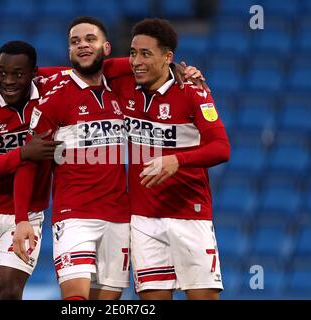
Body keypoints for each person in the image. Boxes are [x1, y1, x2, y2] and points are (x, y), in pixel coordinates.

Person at [13, 17, 209, 300]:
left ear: (106, 47)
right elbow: (29, 162)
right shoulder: (54, 98)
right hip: (73, 216)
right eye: (75, 41)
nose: (82, 45)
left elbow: (139, 65)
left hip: (119, 218)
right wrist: (22, 219)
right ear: (68, 51)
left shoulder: (122, 88)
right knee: (75, 299)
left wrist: (175, 68)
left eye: (89, 39)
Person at [109, 18, 230, 300]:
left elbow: (221, 149)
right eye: (132, 52)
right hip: (143, 219)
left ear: (168, 57)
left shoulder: (193, 93)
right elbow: (86, 68)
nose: (136, 61)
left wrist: (177, 160)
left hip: (190, 215)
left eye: (145, 54)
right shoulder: (123, 86)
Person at [0, 40, 62, 300]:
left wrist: (168, 67)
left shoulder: (48, 91)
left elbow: (91, 68)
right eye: (2, 72)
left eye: (18, 74)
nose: (8, 80)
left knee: (8, 291)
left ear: (34, 73)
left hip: (27, 213)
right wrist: (24, 153)